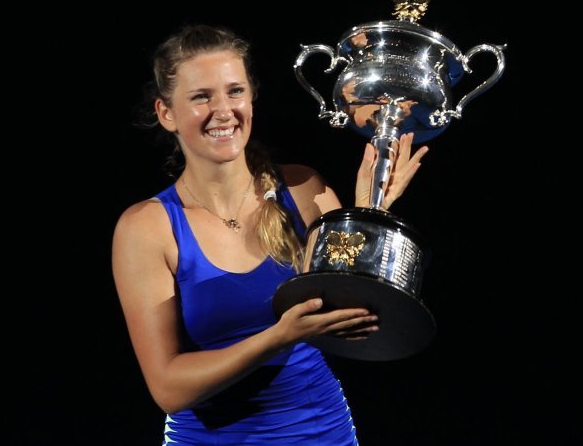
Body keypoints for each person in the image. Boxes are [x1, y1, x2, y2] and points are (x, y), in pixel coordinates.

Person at [112, 24, 428, 444]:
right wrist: (281, 336)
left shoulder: (301, 189)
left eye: (235, 91)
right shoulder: (147, 227)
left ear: (252, 98)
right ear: (166, 112)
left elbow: (360, 308)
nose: (223, 110)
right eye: (201, 97)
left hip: (323, 434)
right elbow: (169, 388)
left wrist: (370, 212)